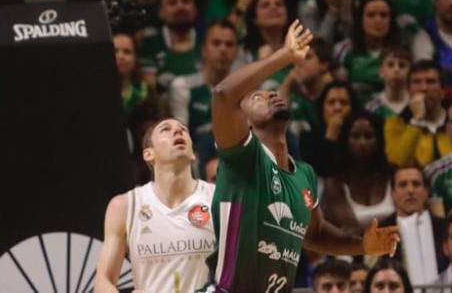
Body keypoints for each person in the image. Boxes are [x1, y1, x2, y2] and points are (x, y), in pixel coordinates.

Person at [198, 20, 399, 292]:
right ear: (242, 122)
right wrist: (285, 56)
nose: (269, 94)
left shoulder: (304, 172)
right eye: (257, 97)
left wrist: (362, 245)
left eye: (271, 92)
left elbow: (315, 234)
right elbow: (222, 95)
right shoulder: (244, 158)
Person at [95, 118, 215, 293]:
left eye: (184, 130)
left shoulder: (216, 198)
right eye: (166, 129)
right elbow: (102, 282)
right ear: (148, 154)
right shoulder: (125, 206)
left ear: (193, 153)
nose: (178, 131)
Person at [169, 21, 241, 167]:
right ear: (204, 49)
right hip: (198, 154)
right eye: (216, 43)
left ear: (237, 51)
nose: (223, 50)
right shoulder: (183, 86)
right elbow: (181, 132)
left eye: (229, 44)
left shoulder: (244, 88)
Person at [320, 111, 396, 233]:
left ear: (379, 141)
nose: (362, 143)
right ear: (345, 140)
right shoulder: (334, 182)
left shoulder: (393, 176)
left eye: (368, 136)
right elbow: (350, 230)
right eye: (355, 136)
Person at [379, 166, 448, 285]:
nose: (410, 190)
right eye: (403, 185)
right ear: (392, 194)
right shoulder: (380, 233)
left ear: (427, 191)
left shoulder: (446, 227)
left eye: (416, 184)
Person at [385, 61, 451, 169]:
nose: (423, 88)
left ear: (442, 90)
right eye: (417, 82)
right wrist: (417, 121)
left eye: (430, 82)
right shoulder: (394, 124)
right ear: (408, 90)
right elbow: (397, 164)